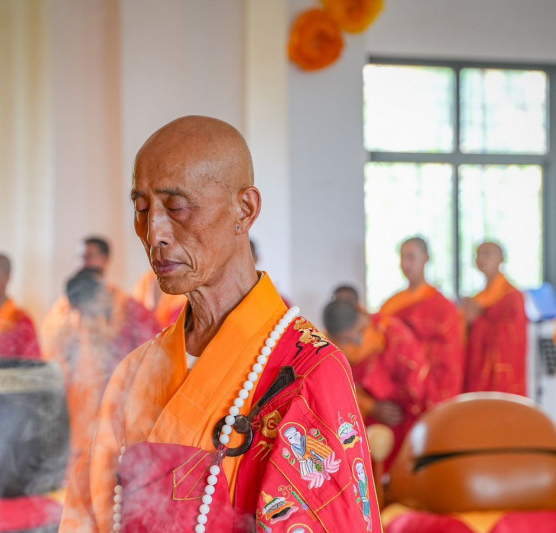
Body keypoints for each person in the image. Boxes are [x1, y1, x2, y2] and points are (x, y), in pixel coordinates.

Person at [60, 116, 380, 532]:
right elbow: (88, 515)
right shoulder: (134, 372)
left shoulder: (308, 372)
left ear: (244, 210)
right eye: (141, 208)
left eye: (176, 207)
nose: (154, 232)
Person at [50, 269, 160, 469]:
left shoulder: (132, 312)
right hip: (83, 416)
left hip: (126, 403)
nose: (87, 314)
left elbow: (154, 355)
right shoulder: (71, 325)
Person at [323, 298, 429, 470]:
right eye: (346, 341)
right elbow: (332, 389)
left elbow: (416, 382)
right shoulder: (327, 348)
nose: (355, 345)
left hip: (401, 418)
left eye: (359, 334)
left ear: (363, 316)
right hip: (359, 424)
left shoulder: (393, 334)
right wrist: (371, 407)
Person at [379, 237, 464, 407]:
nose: (405, 264)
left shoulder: (442, 306)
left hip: (430, 383)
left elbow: (451, 352)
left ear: (426, 258)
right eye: (402, 258)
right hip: (397, 382)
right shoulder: (392, 302)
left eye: (411, 257)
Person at [461, 242, 528, 396]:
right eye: (479, 254)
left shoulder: (512, 296)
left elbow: (512, 338)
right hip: (478, 369)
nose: (482, 259)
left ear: (501, 259)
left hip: (503, 373)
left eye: (488, 254)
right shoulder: (478, 298)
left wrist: (478, 320)